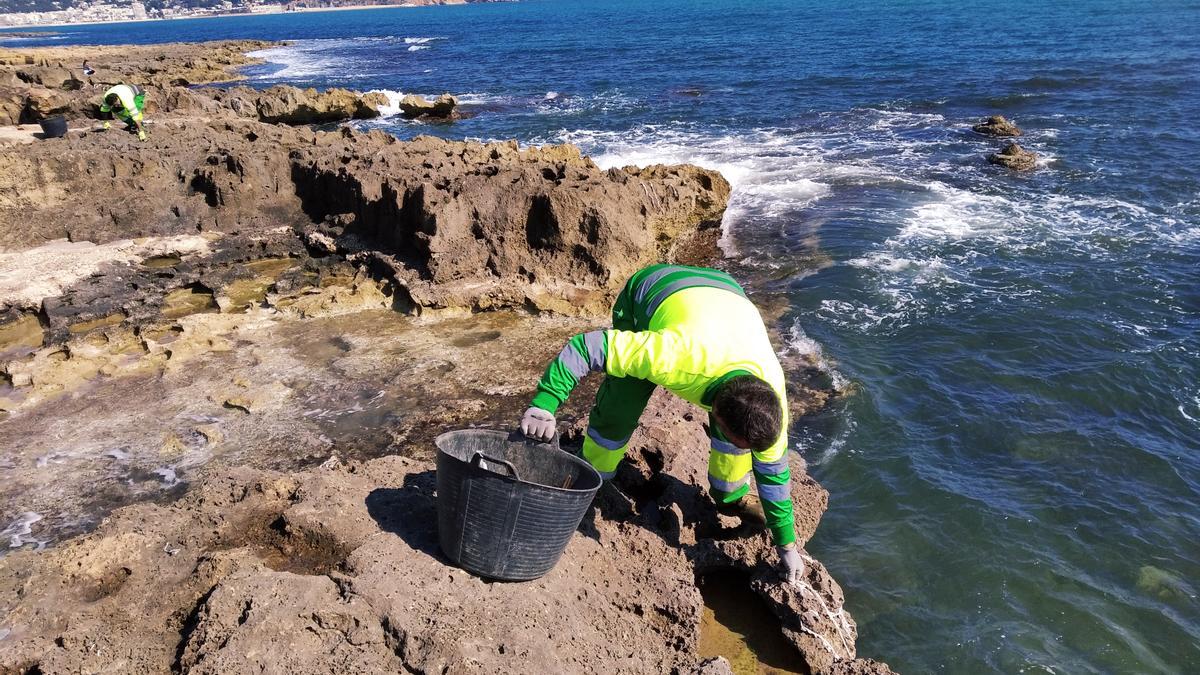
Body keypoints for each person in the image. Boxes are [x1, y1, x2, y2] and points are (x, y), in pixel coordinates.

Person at [520, 263, 804, 583]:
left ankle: (730, 497)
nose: (750, 452)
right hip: (651, 291)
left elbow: (774, 476)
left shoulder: (771, 404)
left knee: (736, 453)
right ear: (715, 415)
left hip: (726, 294)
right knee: (622, 402)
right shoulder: (671, 356)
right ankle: (595, 476)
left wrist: (787, 545)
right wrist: (544, 405)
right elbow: (584, 348)